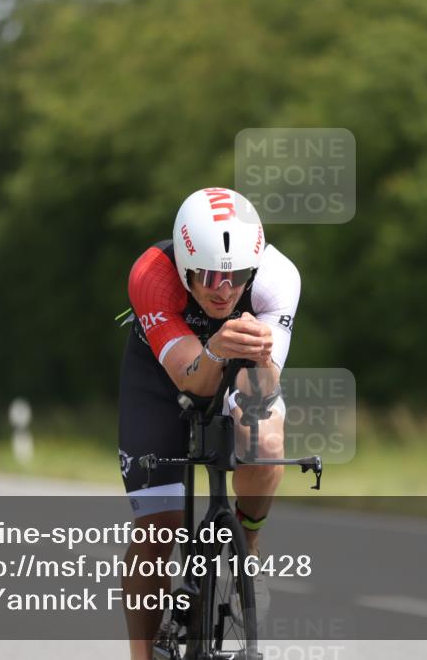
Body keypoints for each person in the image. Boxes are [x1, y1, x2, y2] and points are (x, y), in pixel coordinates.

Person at [117, 187, 300, 659]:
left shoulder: (277, 278)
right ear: (184, 266)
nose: (224, 289)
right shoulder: (151, 276)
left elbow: (265, 390)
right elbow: (191, 380)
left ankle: (248, 547)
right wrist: (216, 347)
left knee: (264, 434)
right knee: (160, 524)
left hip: (237, 361)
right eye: (210, 277)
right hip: (161, 378)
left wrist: (260, 356)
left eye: (236, 276)